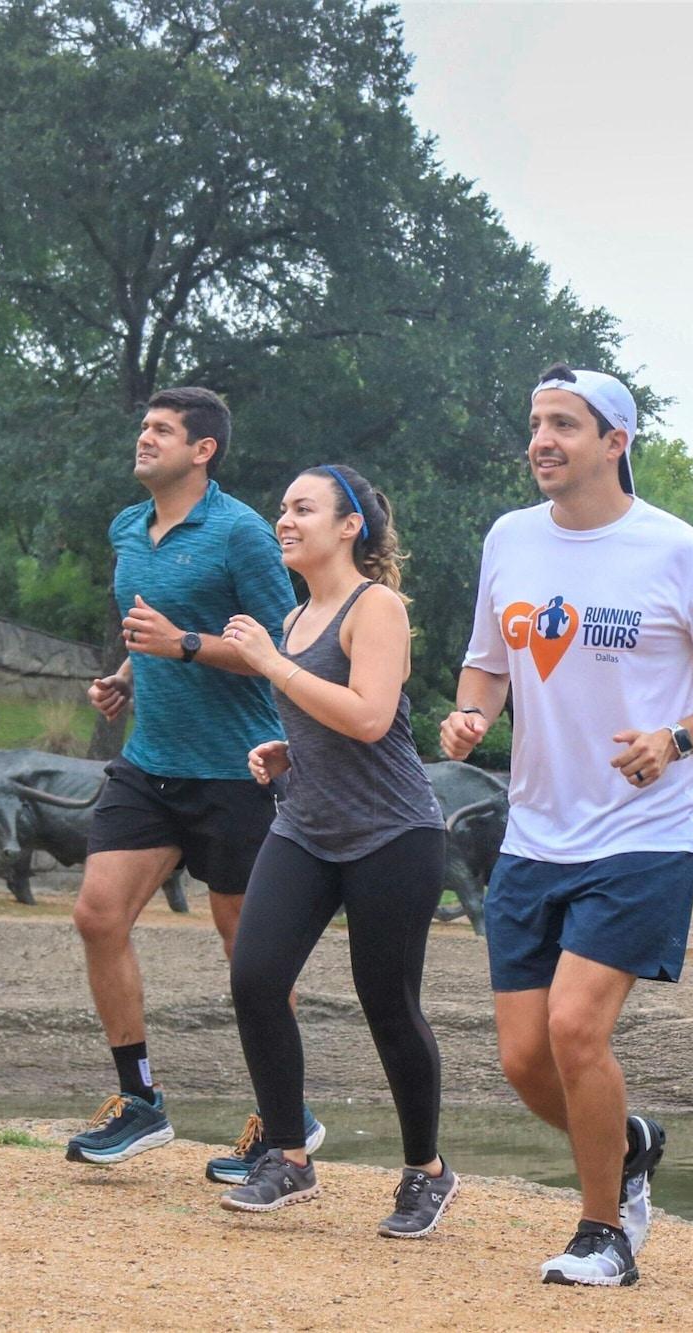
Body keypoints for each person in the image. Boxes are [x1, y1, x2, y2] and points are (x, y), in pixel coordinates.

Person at [441, 364, 693, 1287]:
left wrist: (675, 737)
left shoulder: (679, 551)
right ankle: (627, 1141)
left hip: (644, 831)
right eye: (537, 423)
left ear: (615, 442)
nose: (542, 440)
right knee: (522, 1059)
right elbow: (486, 664)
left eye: (565, 424)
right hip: (534, 832)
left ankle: (605, 1233)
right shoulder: (509, 538)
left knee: (575, 1029)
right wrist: (471, 714)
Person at [67, 387, 325, 1178]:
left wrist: (181, 645)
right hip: (152, 762)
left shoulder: (242, 532)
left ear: (202, 449)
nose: (144, 438)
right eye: (144, 426)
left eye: (162, 430)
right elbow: (155, 624)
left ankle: (285, 1122)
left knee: (250, 957)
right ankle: (140, 1100)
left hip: (236, 768)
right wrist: (126, 672)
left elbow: (288, 641)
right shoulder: (127, 527)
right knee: (96, 913)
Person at [216, 464, 456, 1237]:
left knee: (387, 1002)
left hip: (394, 833)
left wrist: (271, 667)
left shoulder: (373, 605)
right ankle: (289, 1155)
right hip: (308, 825)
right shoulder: (292, 619)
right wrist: (289, 749)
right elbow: (329, 723)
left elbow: (369, 716)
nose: (285, 519)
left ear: (349, 525)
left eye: (304, 508)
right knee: (254, 975)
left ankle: (427, 1171)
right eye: (283, 508)